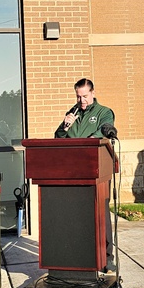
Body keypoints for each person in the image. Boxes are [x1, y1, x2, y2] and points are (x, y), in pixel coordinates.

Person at [54, 78, 116, 270]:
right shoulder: (72, 113)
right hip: (74, 169)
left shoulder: (103, 112)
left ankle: (106, 257)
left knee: (100, 212)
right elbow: (58, 137)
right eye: (78, 96)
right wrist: (65, 126)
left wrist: (90, 140)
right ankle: (80, 254)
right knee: (76, 214)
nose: (82, 100)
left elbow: (105, 130)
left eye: (85, 96)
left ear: (93, 93)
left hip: (97, 168)